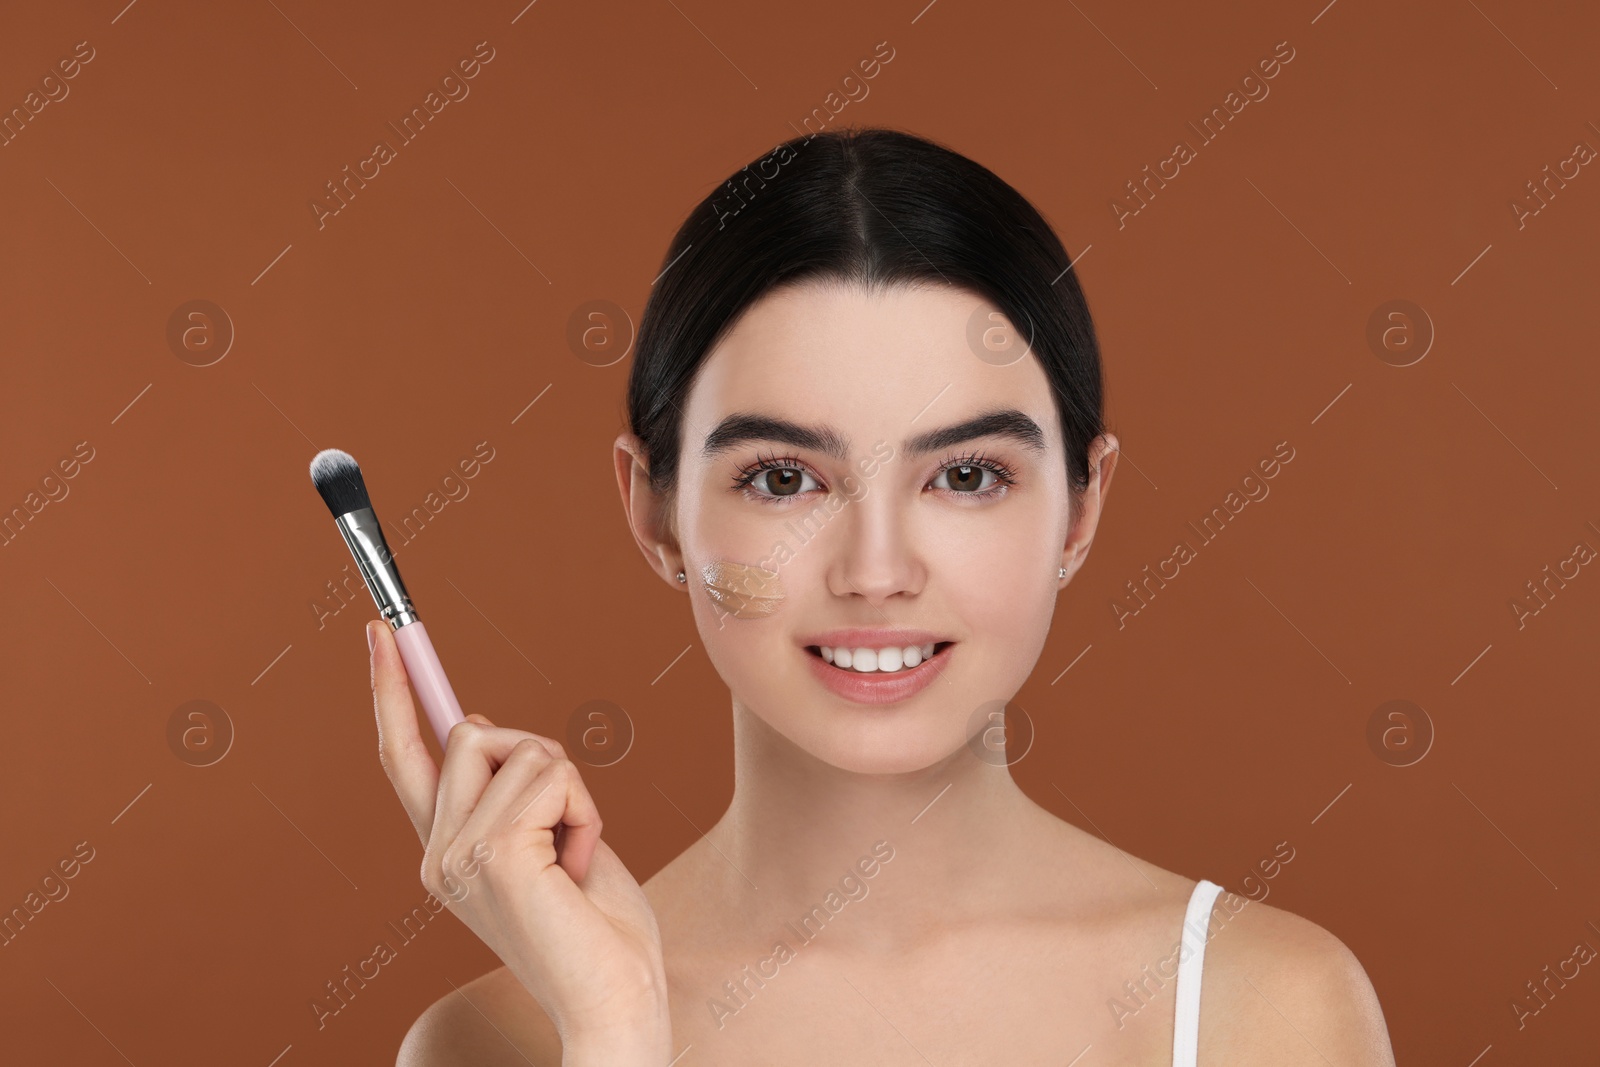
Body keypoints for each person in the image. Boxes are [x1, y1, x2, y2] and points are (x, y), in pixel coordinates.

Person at [375, 126, 1396, 1065]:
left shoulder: (1264, 1007)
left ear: (1082, 509)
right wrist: (612, 1030)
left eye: (965, 475)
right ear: (654, 511)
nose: (875, 569)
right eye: (783, 479)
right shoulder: (497, 1036)